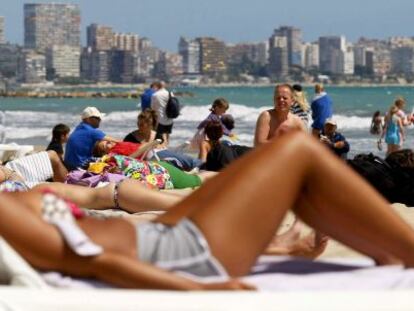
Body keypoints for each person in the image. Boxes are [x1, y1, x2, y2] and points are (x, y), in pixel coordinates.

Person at [2, 132, 414, 290]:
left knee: (285, 171)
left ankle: (285, 246)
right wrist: (197, 290)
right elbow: (92, 260)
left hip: (164, 232)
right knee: (299, 152)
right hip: (179, 249)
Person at [64, 107, 120, 171]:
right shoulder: (91, 131)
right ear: (88, 119)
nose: (100, 120)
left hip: (69, 165)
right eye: (97, 118)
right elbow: (117, 141)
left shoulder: (80, 127)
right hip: (79, 166)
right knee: (111, 163)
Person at [151, 81, 173, 146]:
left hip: (159, 118)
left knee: (158, 136)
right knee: (167, 134)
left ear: (158, 86)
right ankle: (166, 147)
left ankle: (159, 148)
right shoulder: (170, 94)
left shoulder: (155, 95)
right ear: (164, 86)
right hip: (169, 118)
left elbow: (152, 107)